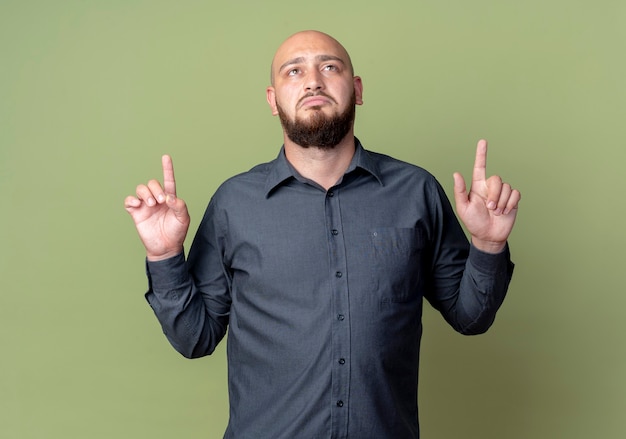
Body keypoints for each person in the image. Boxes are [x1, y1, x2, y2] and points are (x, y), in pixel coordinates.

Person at [124, 30, 521, 439]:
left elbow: (471, 317)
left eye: (329, 67)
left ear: (357, 89)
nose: (313, 80)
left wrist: (488, 245)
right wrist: (165, 255)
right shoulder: (233, 204)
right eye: (293, 71)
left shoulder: (416, 192)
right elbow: (195, 339)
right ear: (272, 100)